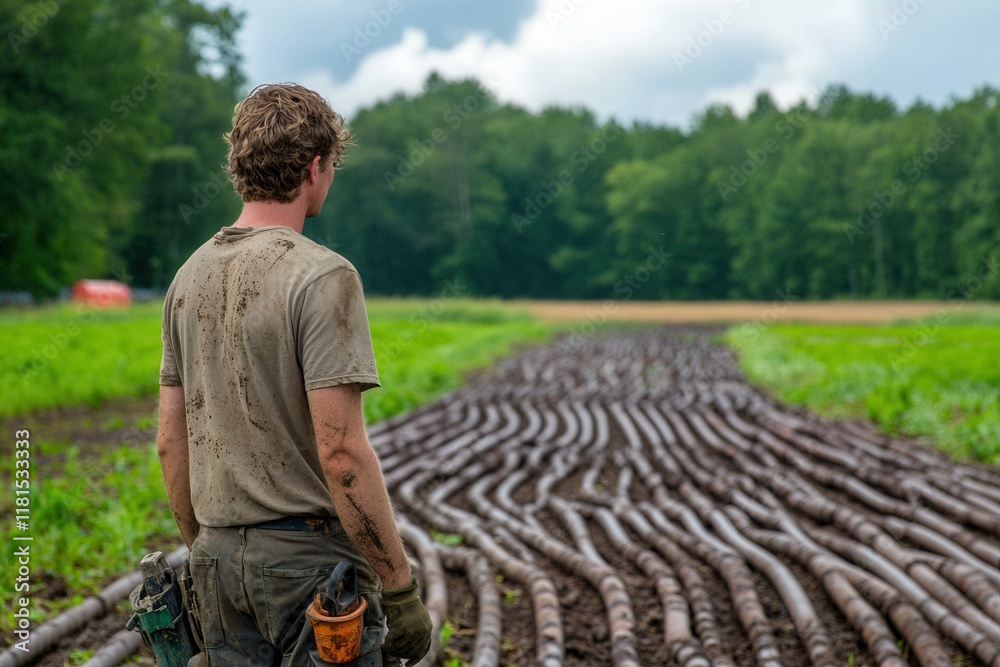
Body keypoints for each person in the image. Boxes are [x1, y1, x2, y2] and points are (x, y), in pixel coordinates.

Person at [156, 83, 432, 667]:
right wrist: (400, 587)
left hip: (216, 558)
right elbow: (341, 455)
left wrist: (206, 554)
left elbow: (170, 445)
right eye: (331, 166)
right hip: (312, 575)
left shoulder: (187, 278)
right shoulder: (322, 276)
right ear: (314, 168)